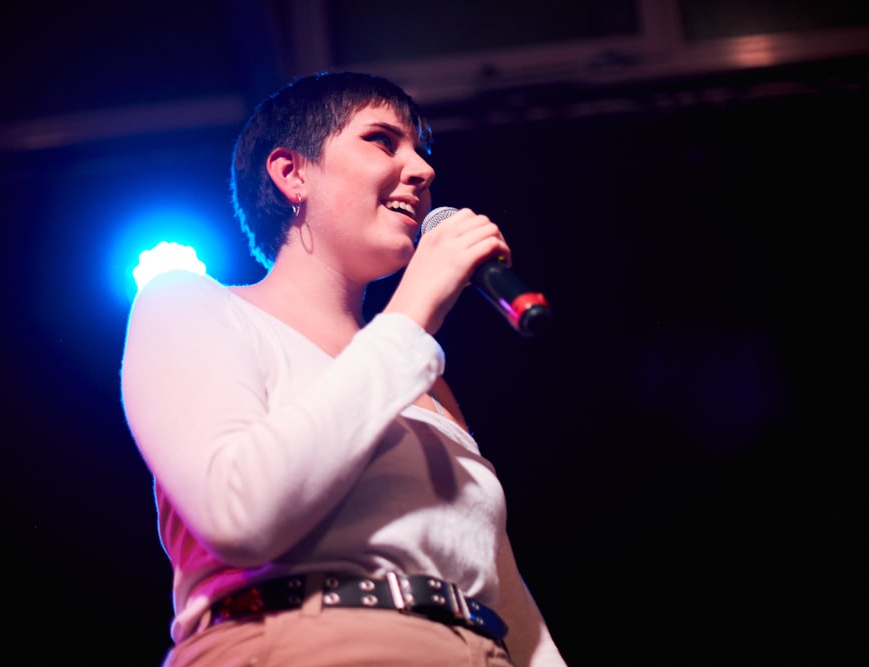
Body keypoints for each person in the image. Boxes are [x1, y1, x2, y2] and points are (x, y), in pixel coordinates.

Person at [120, 70, 568, 666]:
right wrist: (412, 316)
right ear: (292, 173)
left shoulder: (424, 379)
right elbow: (240, 512)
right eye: (383, 141)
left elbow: (502, 592)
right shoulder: (192, 304)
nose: (422, 170)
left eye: (422, 151)